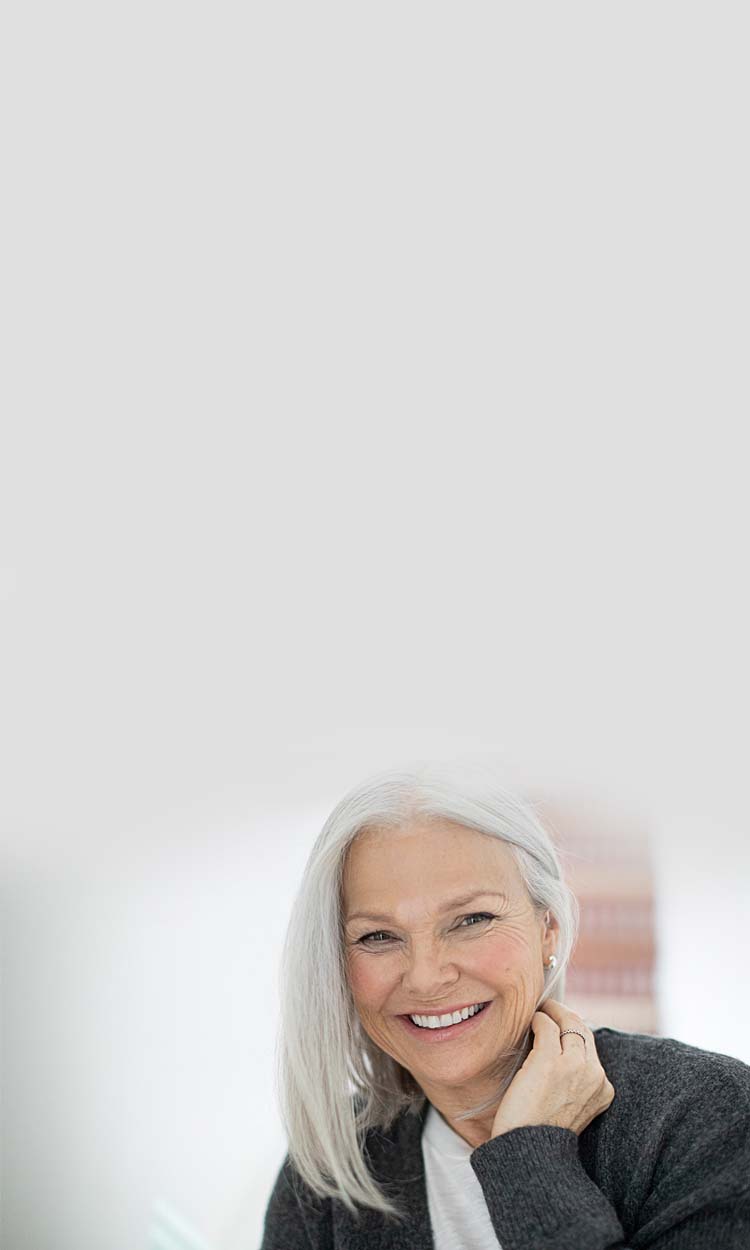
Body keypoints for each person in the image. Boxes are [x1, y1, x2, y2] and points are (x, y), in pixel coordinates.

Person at [260, 763, 750, 1249]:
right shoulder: (328, 1175)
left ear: (547, 930)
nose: (428, 976)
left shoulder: (706, 1118)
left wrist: (528, 1159)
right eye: (379, 936)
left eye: (472, 919)